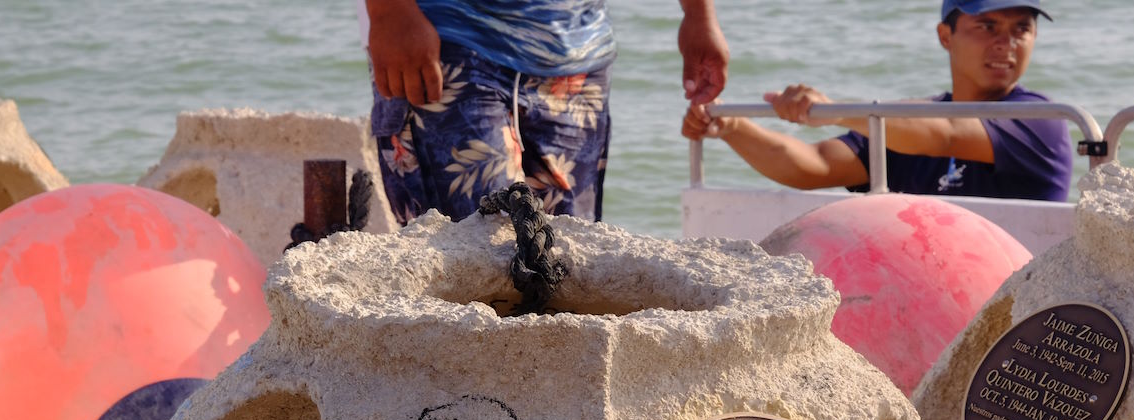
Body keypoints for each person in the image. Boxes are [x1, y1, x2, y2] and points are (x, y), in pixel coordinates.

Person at [362, 0, 728, 224]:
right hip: (450, 41)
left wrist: (698, 12)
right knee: (471, 267)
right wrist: (390, 9)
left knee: (562, 271)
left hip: (577, 55)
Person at [682, 0, 1073, 202]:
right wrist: (731, 127)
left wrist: (834, 110)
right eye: (987, 26)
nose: (1006, 43)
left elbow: (948, 134)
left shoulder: (1040, 120)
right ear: (945, 36)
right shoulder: (905, 125)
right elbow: (812, 166)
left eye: (1022, 28)